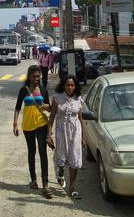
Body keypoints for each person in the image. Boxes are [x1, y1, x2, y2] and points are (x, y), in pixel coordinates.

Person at [13, 65, 53, 199]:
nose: (36, 79)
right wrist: (15, 123)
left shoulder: (43, 90)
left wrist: (48, 106)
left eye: (38, 76)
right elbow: (18, 108)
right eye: (34, 76)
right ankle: (33, 180)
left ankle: (45, 184)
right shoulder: (23, 90)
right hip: (27, 126)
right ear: (29, 76)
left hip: (41, 124)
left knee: (42, 153)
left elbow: (49, 108)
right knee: (31, 152)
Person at [47, 75, 84, 199]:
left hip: (75, 132)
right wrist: (49, 134)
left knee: (74, 157)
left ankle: (72, 187)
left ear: (75, 86)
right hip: (61, 131)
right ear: (63, 86)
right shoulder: (57, 98)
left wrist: (83, 137)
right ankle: (61, 170)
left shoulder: (78, 98)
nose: (70, 87)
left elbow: (81, 119)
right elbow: (51, 117)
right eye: (67, 85)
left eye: (72, 85)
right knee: (61, 157)